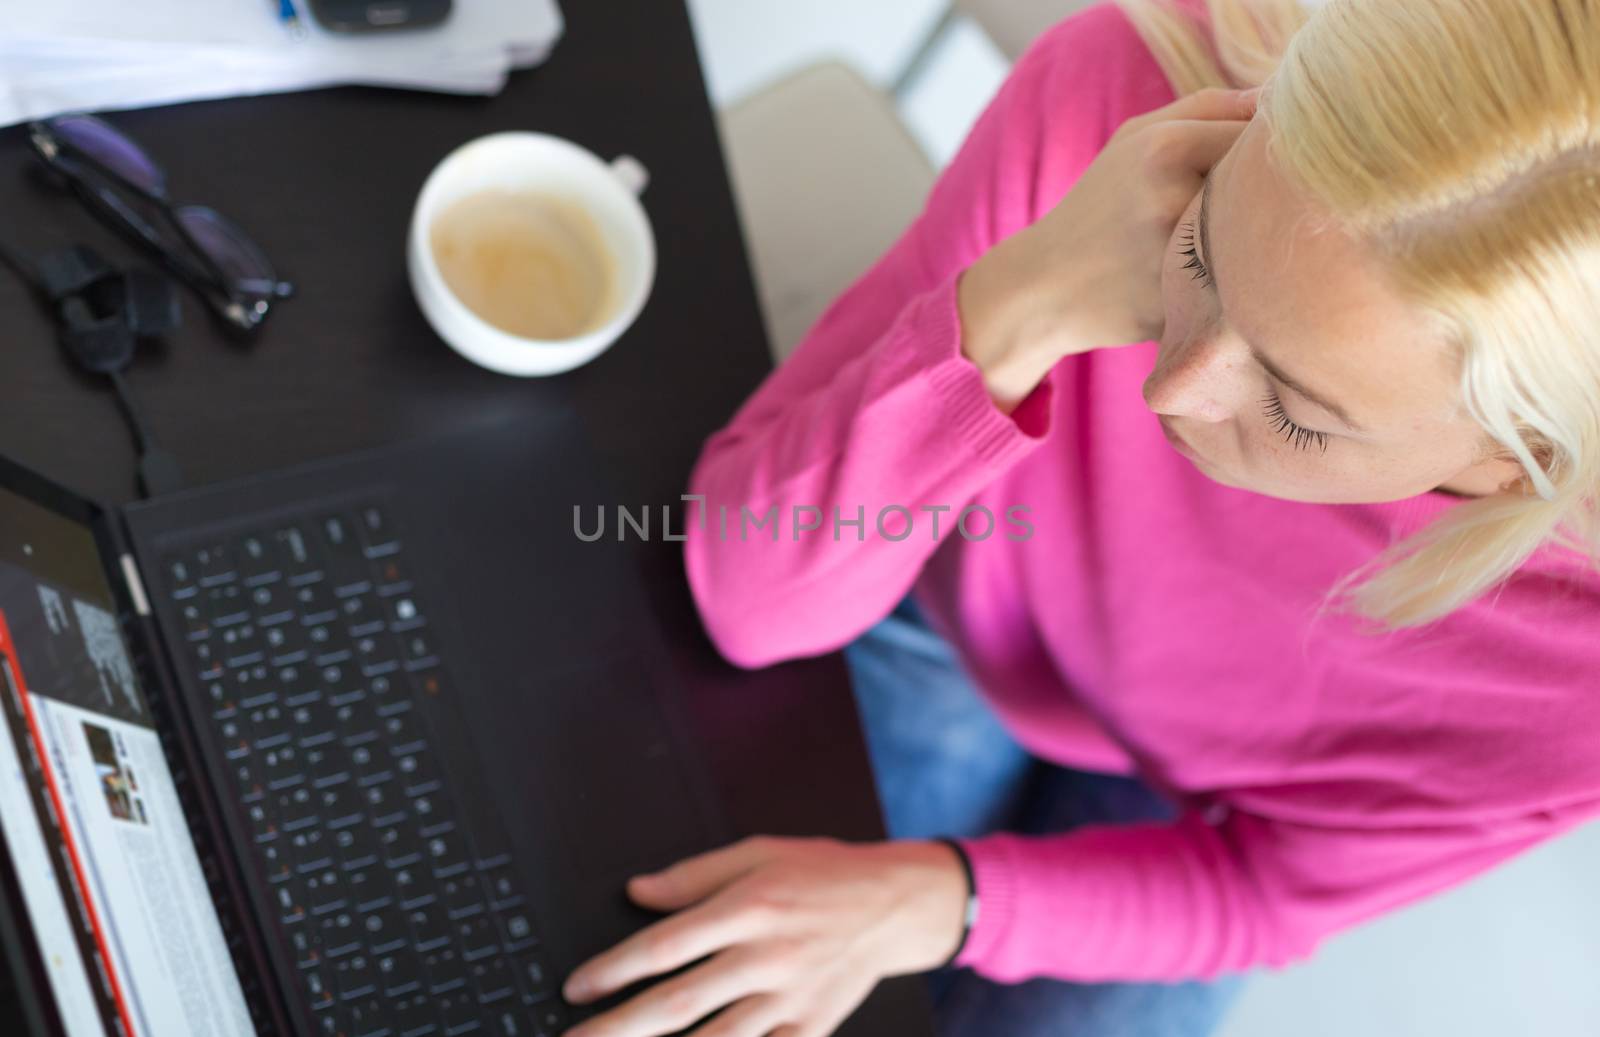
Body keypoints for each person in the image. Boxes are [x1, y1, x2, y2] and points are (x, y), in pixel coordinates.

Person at [557, 0, 1600, 1034]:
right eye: (1197, 258)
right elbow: (751, 599)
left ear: (1526, 461)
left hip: (1227, 809)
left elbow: (1266, 887)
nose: (1170, 391)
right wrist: (1032, 296)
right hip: (960, 615)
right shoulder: (1130, 108)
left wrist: (936, 899)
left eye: (1294, 408)